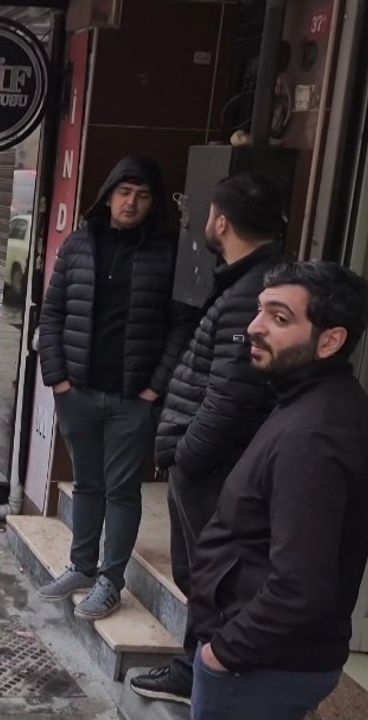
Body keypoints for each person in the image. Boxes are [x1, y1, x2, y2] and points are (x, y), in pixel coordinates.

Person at [186, 261, 368, 720]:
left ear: (330, 340)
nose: (254, 327)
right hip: (264, 663)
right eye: (259, 311)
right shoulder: (306, 401)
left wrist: (222, 654)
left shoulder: (313, 436)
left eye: (279, 318)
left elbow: (300, 584)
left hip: (259, 670)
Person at [130, 173, 287, 705]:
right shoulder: (245, 284)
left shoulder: (252, 297)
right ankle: (194, 666)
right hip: (205, 465)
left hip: (212, 468)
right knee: (200, 573)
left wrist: (185, 457)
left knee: (211, 576)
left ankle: (204, 676)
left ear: (221, 221)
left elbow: (231, 398)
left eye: (204, 213)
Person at [36, 156, 193, 620]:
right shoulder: (79, 246)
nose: (132, 202)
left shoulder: (168, 253)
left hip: (132, 399)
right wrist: (59, 380)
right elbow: (52, 314)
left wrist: (153, 390)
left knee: (122, 491)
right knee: (87, 484)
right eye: (125, 192)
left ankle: (111, 581)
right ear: (108, 195)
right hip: (78, 392)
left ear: (153, 203)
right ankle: (82, 566)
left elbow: (180, 328)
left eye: (143, 195)